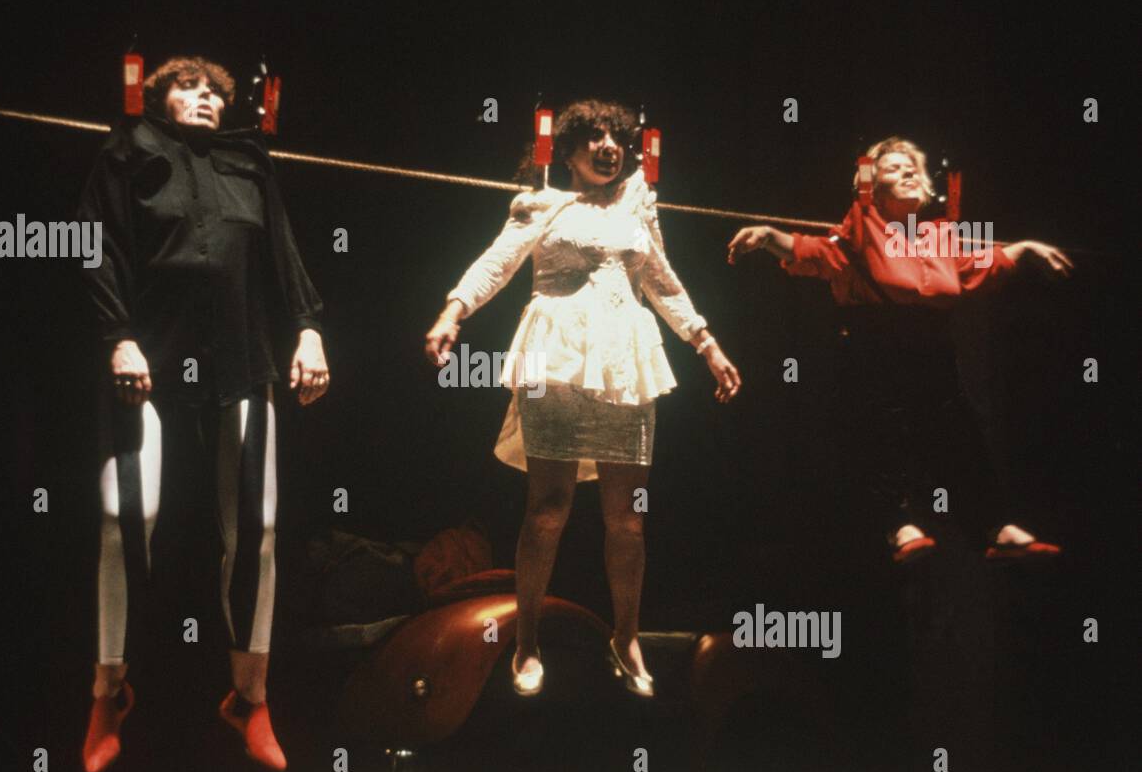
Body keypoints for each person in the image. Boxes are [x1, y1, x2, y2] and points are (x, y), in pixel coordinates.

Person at [425, 100, 741, 698]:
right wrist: (453, 312)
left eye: (616, 137)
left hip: (626, 360)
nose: (607, 146)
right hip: (558, 357)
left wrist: (706, 343)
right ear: (565, 151)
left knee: (628, 517)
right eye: (592, 137)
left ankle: (626, 637)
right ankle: (526, 642)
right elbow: (497, 262)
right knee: (547, 510)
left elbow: (662, 279)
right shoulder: (541, 202)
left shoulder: (636, 205)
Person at [76, 55, 329, 772]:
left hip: (240, 361)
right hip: (148, 360)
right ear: (159, 97)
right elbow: (95, 249)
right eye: (191, 88)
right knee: (127, 516)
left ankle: (250, 698)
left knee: (258, 526)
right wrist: (118, 337)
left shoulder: (248, 163)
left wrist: (308, 329)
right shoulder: (128, 153)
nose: (208, 100)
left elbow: (283, 257)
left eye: (217, 92)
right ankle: (108, 692)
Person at [727, 137, 1070, 563]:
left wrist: (1025, 249)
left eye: (912, 167)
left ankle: (995, 526)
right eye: (893, 168)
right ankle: (897, 523)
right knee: (881, 433)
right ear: (871, 186)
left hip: (933, 350)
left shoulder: (940, 235)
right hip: (875, 347)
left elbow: (972, 267)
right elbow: (808, 250)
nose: (908, 171)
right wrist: (766, 236)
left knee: (959, 436)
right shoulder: (860, 228)